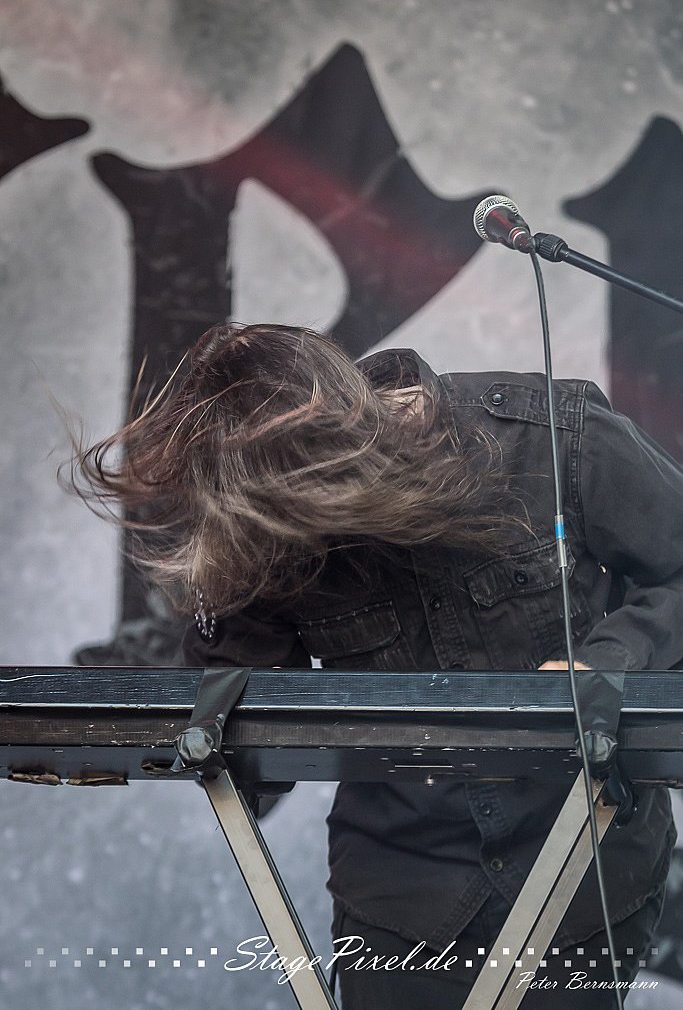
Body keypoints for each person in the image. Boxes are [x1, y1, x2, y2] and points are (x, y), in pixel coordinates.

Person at [73, 321, 683, 1008]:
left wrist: (606, 663)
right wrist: (220, 585)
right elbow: (257, 771)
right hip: (400, 894)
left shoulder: (554, 435)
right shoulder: (273, 515)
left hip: (586, 873)